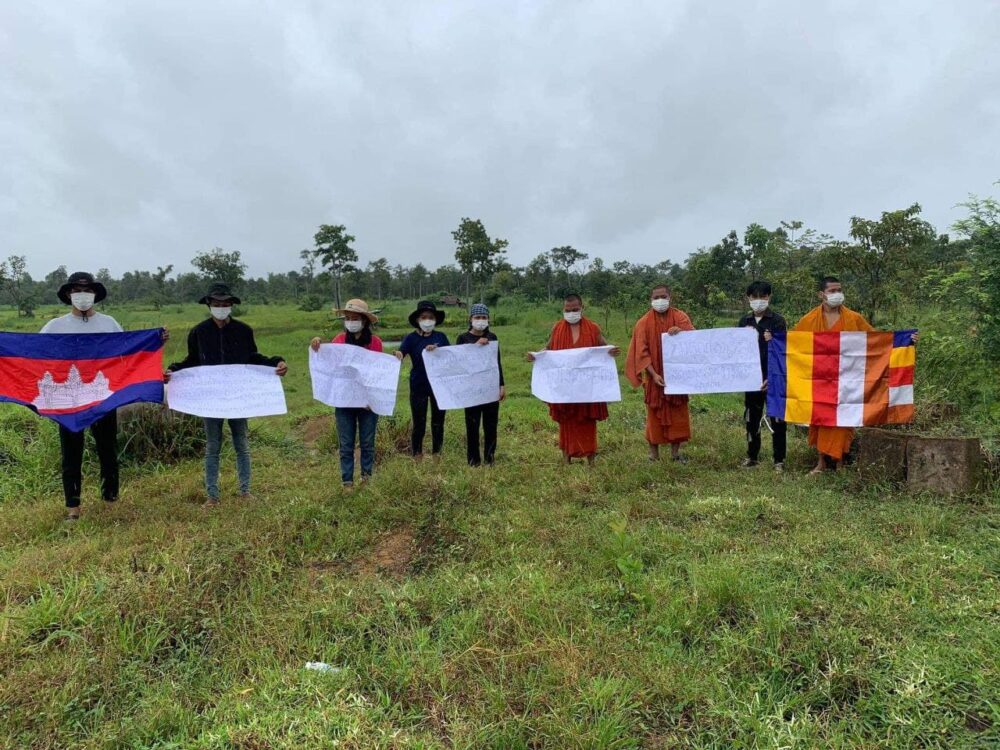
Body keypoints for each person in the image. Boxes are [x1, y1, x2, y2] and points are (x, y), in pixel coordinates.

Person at [164, 283, 286, 505]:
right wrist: (173, 370)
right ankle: (212, 496)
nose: (221, 308)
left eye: (225, 304)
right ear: (209, 305)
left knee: (242, 444)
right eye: (217, 304)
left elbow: (253, 357)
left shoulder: (243, 330)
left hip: (238, 397)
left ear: (231, 305)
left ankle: (245, 491)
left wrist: (275, 362)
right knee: (212, 446)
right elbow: (192, 361)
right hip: (211, 398)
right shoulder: (199, 332)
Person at [40, 272, 134, 521]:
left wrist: (155, 342)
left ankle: (110, 501)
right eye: (77, 290)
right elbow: (34, 357)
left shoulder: (109, 324)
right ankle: (73, 508)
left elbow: (127, 355)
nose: (82, 295)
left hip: (102, 397)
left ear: (95, 294)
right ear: (69, 294)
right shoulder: (54, 327)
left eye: (87, 290)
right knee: (71, 454)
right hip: (69, 401)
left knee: (108, 450)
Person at [792, 276, 872, 474]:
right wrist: (772, 341)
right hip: (819, 379)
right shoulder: (809, 320)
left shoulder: (854, 318)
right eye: (832, 291)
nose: (837, 294)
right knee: (819, 419)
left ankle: (840, 462)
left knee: (843, 420)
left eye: (839, 290)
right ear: (821, 294)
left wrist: (905, 341)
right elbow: (793, 346)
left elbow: (875, 341)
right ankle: (821, 462)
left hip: (846, 378)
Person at [528, 294, 619, 464]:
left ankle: (591, 460)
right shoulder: (557, 328)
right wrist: (536, 356)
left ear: (582, 308)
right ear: (563, 309)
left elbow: (604, 346)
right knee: (566, 421)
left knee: (588, 422)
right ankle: (566, 459)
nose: (571, 313)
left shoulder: (593, 328)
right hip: (565, 387)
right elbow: (548, 348)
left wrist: (611, 351)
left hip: (587, 388)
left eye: (575, 309)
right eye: (568, 310)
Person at [310, 298, 383, 488]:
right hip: (344, 400)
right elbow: (329, 365)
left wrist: (371, 398)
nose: (351, 322)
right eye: (347, 318)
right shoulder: (339, 340)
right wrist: (317, 347)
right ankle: (347, 482)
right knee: (346, 443)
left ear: (364, 321)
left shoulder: (375, 342)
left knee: (367, 443)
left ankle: (366, 478)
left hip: (368, 402)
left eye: (355, 318)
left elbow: (378, 372)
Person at [625, 284, 694, 463]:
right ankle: (653, 455)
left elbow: (694, 340)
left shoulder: (680, 317)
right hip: (654, 378)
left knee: (678, 415)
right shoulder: (643, 323)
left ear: (670, 297)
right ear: (651, 300)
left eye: (663, 296)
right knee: (653, 416)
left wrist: (681, 333)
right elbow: (642, 353)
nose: (659, 300)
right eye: (656, 298)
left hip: (677, 378)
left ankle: (675, 454)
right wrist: (654, 375)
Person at [737, 280, 787, 471]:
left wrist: (772, 377)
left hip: (773, 378)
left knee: (778, 419)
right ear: (748, 298)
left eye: (763, 296)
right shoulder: (744, 321)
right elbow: (736, 351)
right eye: (755, 297)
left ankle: (779, 460)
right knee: (751, 418)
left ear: (769, 297)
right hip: (751, 379)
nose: (759, 300)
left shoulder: (777, 321)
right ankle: (752, 456)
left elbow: (782, 351)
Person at [395, 300, 450, 460]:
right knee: (419, 422)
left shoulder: (441, 337)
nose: (427, 320)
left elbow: (450, 357)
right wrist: (398, 354)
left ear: (435, 320)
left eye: (431, 317)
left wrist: (438, 350)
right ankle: (417, 455)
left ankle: (437, 454)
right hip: (418, 385)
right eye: (424, 317)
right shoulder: (411, 338)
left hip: (439, 386)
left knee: (438, 421)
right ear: (418, 320)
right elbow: (402, 353)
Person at [456, 303, 506, 466]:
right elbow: (459, 361)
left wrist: (501, 385)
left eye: (484, 317)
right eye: (477, 317)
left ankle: (490, 459)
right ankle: (473, 461)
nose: (480, 320)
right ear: (470, 319)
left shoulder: (492, 337)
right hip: (471, 390)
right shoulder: (463, 338)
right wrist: (475, 346)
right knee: (472, 426)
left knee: (491, 426)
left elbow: (496, 362)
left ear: (488, 319)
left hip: (490, 387)